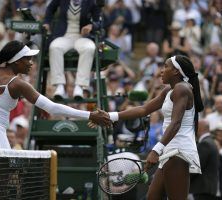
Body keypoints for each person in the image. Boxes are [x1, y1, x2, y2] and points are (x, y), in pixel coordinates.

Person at [0, 40, 111, 149]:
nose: (31, 62)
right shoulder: (19, 84)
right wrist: (90, 115)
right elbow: (52, 107)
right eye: (27, 59)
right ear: (16, 61)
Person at [90, 55, 204, 199]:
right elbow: (144, 109)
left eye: (166, 67)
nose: (161, 71)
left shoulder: (182, 88)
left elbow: (176, 123)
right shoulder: (169, 91)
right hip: (169, 152)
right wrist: (110, 116)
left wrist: (156, 150)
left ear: (176, 71)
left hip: (178, 152)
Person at [43, 0, 101, 100]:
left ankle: (79, 86)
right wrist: (46, 23)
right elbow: (50, 8)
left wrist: (91, 26)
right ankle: (59, 86)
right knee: (54, 47)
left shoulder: (91, 2)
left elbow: (99, 22)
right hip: (65, 36)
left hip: (82, 37)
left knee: (89, 48)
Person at [190, 119, 219, 200]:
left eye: (195, 126)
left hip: (202, 189)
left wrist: (183, 180)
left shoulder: (205, 144)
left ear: (200, 128)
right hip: (208, 189)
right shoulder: (211, 142)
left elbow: (195, 167)